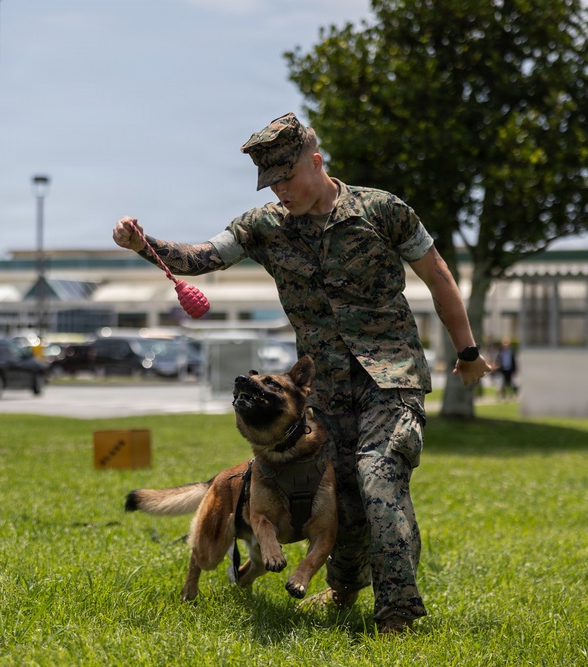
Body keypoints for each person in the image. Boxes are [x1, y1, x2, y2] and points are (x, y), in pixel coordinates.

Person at [112, 112, 493, 634]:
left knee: (380, 479)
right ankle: (342, 591)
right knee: (343, 500)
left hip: (391, 380)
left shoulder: (383, 210)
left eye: (288, 176)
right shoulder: (265, 226)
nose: (281, 190)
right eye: (271, 182)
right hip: (324, 393)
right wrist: (144, 244)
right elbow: (204, 255)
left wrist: (467, 351)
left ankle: (398, 613)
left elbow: (438, 275)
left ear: (316, 160)